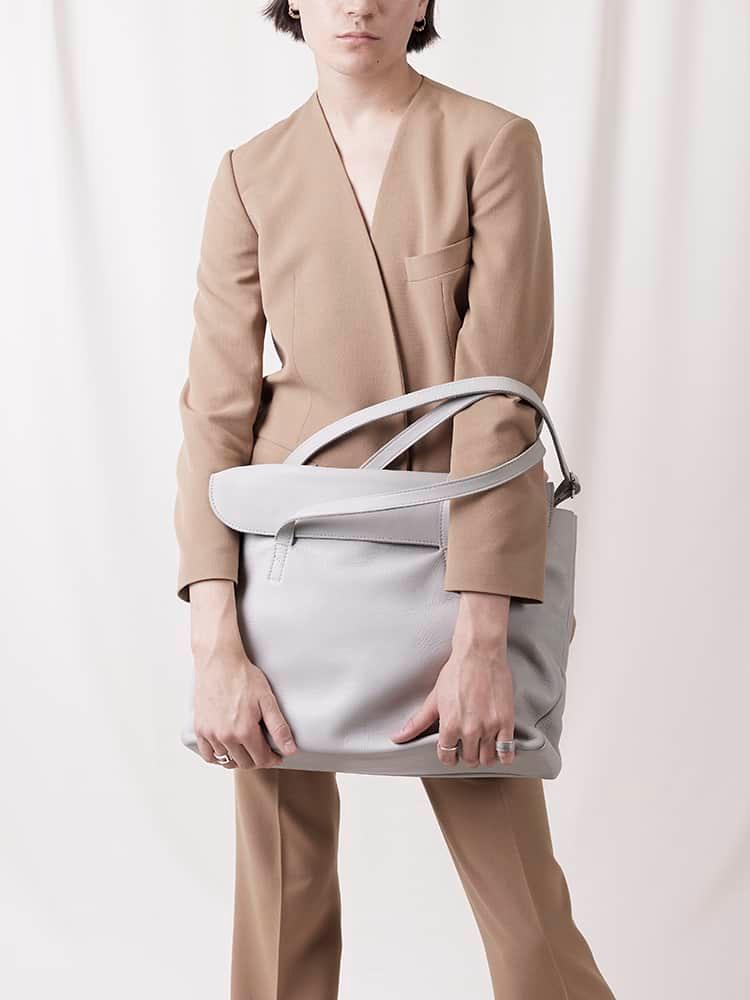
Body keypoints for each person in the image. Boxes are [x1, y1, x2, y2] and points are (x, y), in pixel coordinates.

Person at [173, 1, 614, 996]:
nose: (358, 3)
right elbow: (214, 413)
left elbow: (502, 403)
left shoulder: (491, 144)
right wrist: (215, 639)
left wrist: (483, 635)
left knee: (525, 914)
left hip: (452, 566)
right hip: (284, 578)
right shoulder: (250, 173)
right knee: (278, 913)